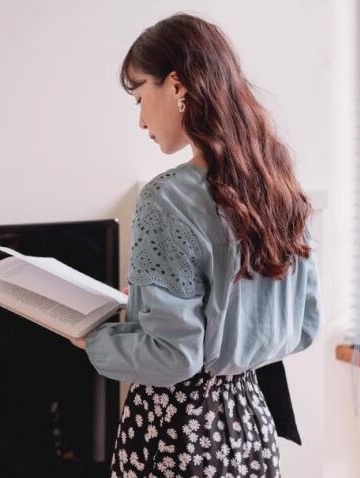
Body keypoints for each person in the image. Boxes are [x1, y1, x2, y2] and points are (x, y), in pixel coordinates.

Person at [70, 12, 323, 477]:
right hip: (250, 423)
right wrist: (148, 304)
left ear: (177, 85)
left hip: (178, 433)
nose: (140, 119)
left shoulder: (166, 198)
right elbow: (303, 326)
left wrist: (94, 340)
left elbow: (176, 356)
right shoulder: (281, 188)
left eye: (140, 96)